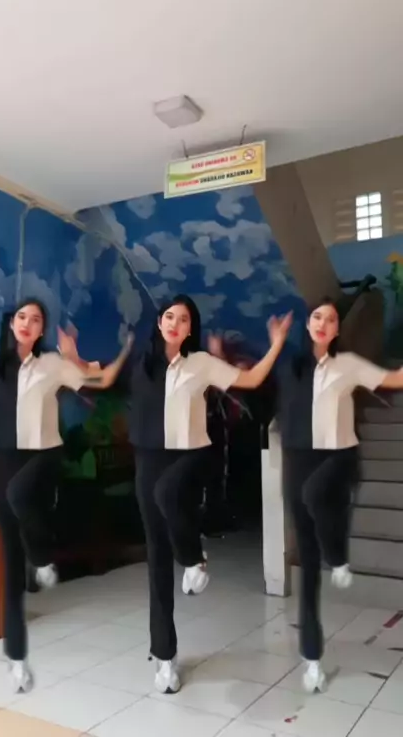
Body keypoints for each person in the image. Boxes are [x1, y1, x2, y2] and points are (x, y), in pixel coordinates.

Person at [128, 294, 292, 694]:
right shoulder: (143, 366)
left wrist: (276, 344)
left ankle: (193, 558)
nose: (174, 323)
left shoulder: (200, 363)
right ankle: (165, 658)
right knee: (157, 563)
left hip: (189, 459)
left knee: (168, 494)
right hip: (148, 461)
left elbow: (250, 380)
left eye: (183, 319)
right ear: (159, 322)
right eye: (169, 316)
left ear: (190, 329)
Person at [0, 298, 131, 693]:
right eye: (22, 317)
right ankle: (17, 660)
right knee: (11, 567)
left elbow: (101, 381)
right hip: (4, 460)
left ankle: (44, 555)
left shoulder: (52, 364)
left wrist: (77, 357)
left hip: (41, 457)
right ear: (12, 324)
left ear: (42, 330)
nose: (27, 323)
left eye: (36, 319)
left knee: (19, 496)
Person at [277, 297, 403, 693]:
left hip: (339, 459)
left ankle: (338, 556)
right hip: (299, 462)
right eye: (317, 317)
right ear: (308, 324)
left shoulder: (348, 365)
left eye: (330, 319)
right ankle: (312, 660)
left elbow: (393, 379)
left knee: (316, 496)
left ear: (336, 330)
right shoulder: (292, 367)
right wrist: (274, 345)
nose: (323, 323)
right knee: (308, 572)